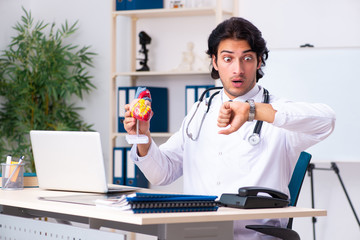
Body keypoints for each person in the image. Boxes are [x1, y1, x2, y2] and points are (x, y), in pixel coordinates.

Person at [123, 17, 336, 240]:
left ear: (259, 61)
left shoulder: (276, 112)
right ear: (214, 62)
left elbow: (326, 120)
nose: (238, 69)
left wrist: (252, 111)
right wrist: (143, 136)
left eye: (247, 58)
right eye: (227, 59)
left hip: (252, 237)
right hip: (196, 233)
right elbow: (162, 173)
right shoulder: (201, 109)